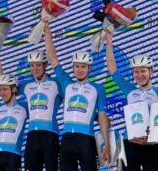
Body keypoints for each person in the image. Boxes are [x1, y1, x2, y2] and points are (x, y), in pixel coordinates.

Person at [43, 20, 111, 170]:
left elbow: (102, 117)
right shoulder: (67, 84)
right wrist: (47, 30)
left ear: (89, 68)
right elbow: (52, 57)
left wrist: (107, 144)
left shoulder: (98, 89)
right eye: (77, 66)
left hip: (86, 141)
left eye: (83, 67)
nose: (79, 70)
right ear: (73, 68)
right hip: (67, 141)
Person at [104, 30, 158, 170]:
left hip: (151, 144)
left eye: (143, 71)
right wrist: (109, 41)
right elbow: (113, 69)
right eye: (136, 72)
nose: (139, 75)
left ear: (151, 71)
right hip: (129, 142)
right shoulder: (130, 91)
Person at [18, 50, 62, 171]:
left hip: (50, 135)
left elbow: (72, 95)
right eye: (32, 65)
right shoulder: (27, 85)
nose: (35, 68)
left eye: (38, 65)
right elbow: (6, 87)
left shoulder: (56, 83)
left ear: (46, 65)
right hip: (32, 137)